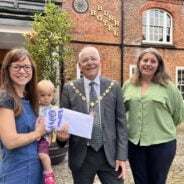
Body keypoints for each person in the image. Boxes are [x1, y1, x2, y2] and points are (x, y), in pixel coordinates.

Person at [57, 46, 128, 184]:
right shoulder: (69, 89)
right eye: (85, 60)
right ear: (79, 66)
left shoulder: (114, 87)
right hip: (82, 156)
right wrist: (61, 138)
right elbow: (63, 123)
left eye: (93, 58)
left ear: (100, 61)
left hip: (110, 155)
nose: (90, 63)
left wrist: (122, 156)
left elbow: (121, 124)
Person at [122, 48, 184, 184]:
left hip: (161, 144)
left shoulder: (169, 87)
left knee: (157, 181)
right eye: (145, 60)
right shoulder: (128, 85)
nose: (148, 64)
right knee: (140, 181)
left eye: (153, 61)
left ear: (159, 65)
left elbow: (178, 115)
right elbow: (122, 111)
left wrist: (161, 126)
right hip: (134, 144)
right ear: (139, 63)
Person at [0, 48, 46, 184]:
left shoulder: (31, 99)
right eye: (16, 66)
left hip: (36, 169)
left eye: (26, 67)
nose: (22, 71)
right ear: (7, 69)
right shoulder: (5, 99)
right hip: (16, 172)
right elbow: (10, 141)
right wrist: (39, 132)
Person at [37, 80, 58, 184]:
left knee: (42, 154)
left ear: (53, 95)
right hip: (33, 136)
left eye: (49, 95)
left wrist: (50, 137)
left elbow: (54, 126)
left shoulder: (54, 109)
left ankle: (49, 173)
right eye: (42, 95)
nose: (46, 98)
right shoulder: (35, 107)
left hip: (44, 137)